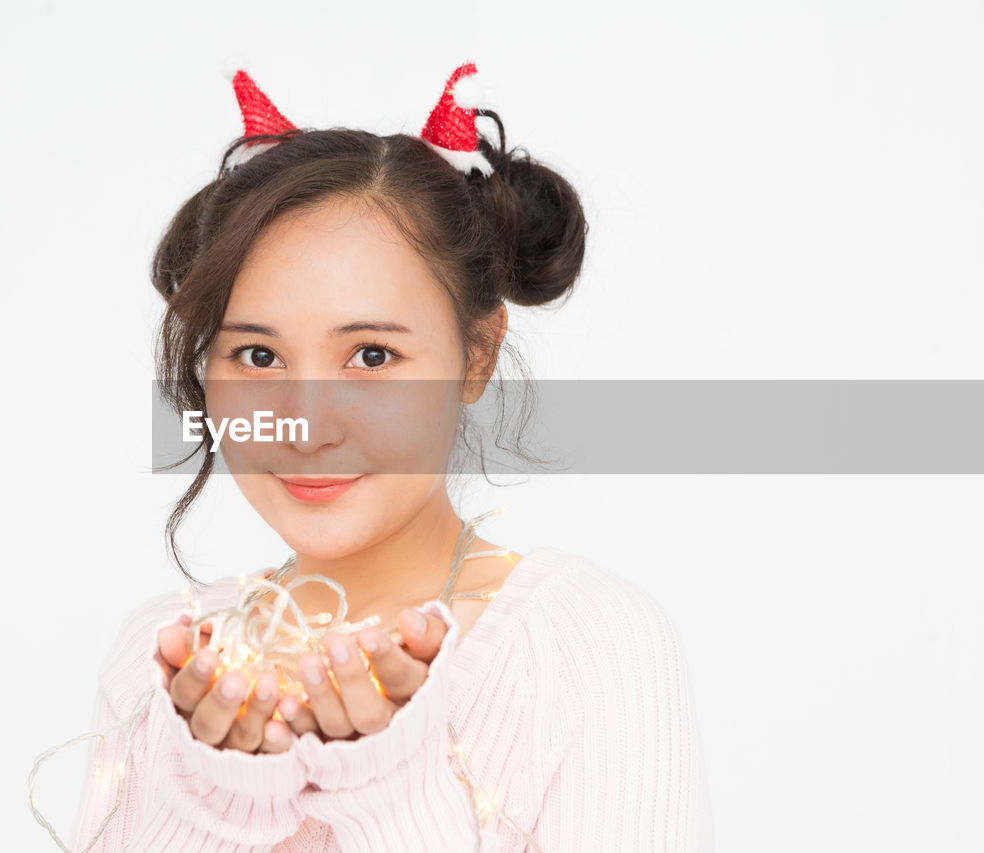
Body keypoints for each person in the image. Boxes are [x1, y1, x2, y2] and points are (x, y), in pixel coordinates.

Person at [63, 63, 714, 852]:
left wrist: (384, 790)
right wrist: (222, 801)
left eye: (371, 357)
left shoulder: (583, 648)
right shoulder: (156, 668)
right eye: (258, 357)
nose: (307, 426)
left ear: (476, 356)